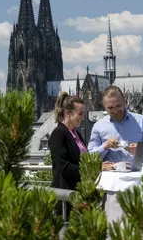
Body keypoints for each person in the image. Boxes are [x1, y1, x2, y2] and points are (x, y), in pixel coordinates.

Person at [88, 85, 143, 164]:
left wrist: (140, 151)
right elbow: (90, 157)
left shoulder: (141, 121)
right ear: (104, 106)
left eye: (118, 106)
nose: (115, 110)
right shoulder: (98, 126)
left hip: (137, 173)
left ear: (125, 101)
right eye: (110, 108)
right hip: (110, 174)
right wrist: (105, 146)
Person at [49, 91, 87, 219]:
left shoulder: (75, 133)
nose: (82, 117)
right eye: (80, 113)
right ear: (67, 113)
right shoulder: (58, 134)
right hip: (66, 196)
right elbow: (63, 167)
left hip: (78, 194)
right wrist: (91, 169)